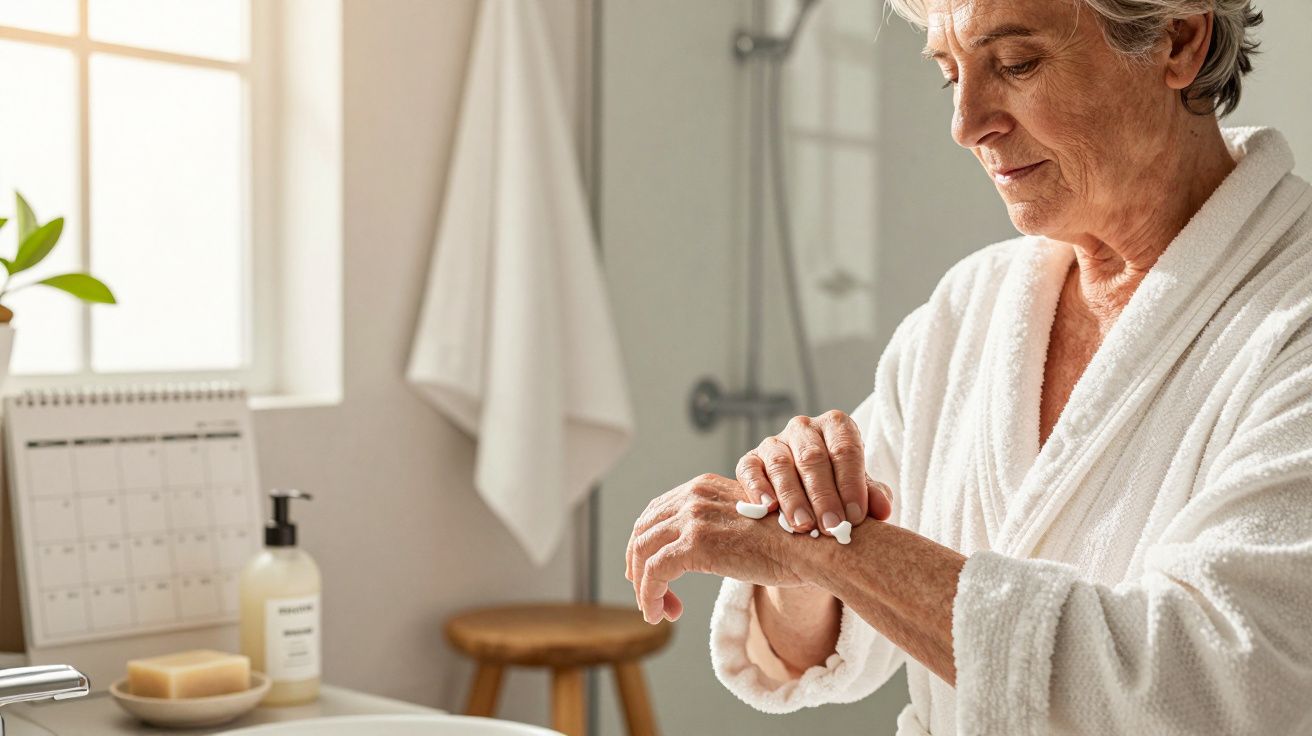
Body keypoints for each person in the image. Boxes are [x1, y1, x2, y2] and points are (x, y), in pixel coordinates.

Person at [625, 0, 1312, 732]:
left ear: (1178, 38)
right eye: (950, 74)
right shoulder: (977, 307)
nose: (966, 122)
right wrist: (803, 525)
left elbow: (1212, 686)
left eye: (1017, 64)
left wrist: (837, 556)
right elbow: (809, 642)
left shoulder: (1289, 322)